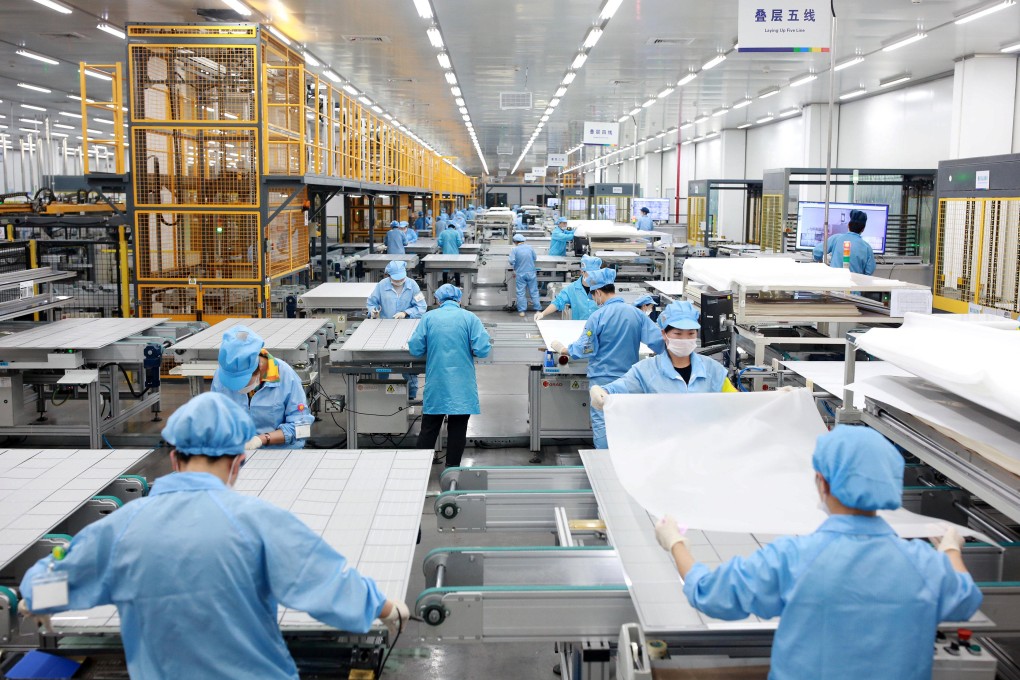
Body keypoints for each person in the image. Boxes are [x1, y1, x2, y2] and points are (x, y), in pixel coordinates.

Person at [18, 392, 409, 679]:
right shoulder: (260, 523)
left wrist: (36, 595)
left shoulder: (118, 529)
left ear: (174, 459)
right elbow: (325, 579)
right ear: (238, 462)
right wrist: (384, 607)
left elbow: (54, 582)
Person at [655, 425, 982, 680]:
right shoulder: (923, 565)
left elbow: (708, 594)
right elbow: (966, 597)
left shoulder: (793, 558)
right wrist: (951, 550)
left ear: (822, 483)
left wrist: (675, 542)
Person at [551, 268, 665, 448]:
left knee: (603, 424)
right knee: (626, 424)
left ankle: (604, 467)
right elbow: (660, 343)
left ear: (598, 292)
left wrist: (564, 349)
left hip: (602, 381)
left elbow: (583, 347)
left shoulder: (598, 316)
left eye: (593, 295)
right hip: (630, 381)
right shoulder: (635, 313)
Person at [591, 301, 735, 409]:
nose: (684, 339)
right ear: (664, 334)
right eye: (678, 334)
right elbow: (617, 389)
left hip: (702, 445)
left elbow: (738, 403)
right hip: (663, 445)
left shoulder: (713, 370)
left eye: (691, 333)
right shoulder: (646, 371)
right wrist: (601, 391)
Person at [409, 284, 491, 468]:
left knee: (429, 430)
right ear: (459, 300)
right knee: (458, 430)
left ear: (437, 300)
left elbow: (415, 348)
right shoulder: (470, 318)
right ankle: (452, 471)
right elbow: (483, 350)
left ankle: (418, 471)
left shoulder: (428, 318)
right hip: (461, 386)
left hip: (437, 384)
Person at [211, 326, 310, 451]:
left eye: (242, 382)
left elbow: (302, 428)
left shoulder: (286, 376)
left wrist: (262, 439)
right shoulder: (222, 375)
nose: (237, 389)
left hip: (280, 455)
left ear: (258, 369)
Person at [366, 260, 427, 400]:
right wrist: (373, 312)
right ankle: (382, 395)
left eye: (402, 278)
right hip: (385, 329)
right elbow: (371, 303)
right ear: (389, 275)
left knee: (408, 364)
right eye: (396, 278)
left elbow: (421, 307)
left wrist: (406, 313)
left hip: (407, 329)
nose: (399, 281)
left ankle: (411, 397)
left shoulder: (412, 285)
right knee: (383, 363)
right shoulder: (381, 286)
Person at [534, 255, 601, 322]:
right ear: (582, 272)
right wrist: (542, 314)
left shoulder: (603, 287)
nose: (593, 277)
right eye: (590, 274)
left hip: (600, 328)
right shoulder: (572, 289)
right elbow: (558, 302)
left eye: (595, 274)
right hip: (580, 328)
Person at [812, 208, 876, 275]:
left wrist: (820, 261)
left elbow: (816, 251)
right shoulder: (867, 248)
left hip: (836, 283)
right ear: (863, 229)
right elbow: (869, 271)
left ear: (848, 225)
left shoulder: (836, 238)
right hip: (855, 283)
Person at [509, 233, 540, 317]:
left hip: (520, 273)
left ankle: (522, 311)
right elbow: (535, 258)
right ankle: (537, 310)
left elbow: (511, 261)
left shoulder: (514, 250)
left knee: (520, 292)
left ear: (515, 242)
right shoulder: (530, 248)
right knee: (534, 291)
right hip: (531, 273)